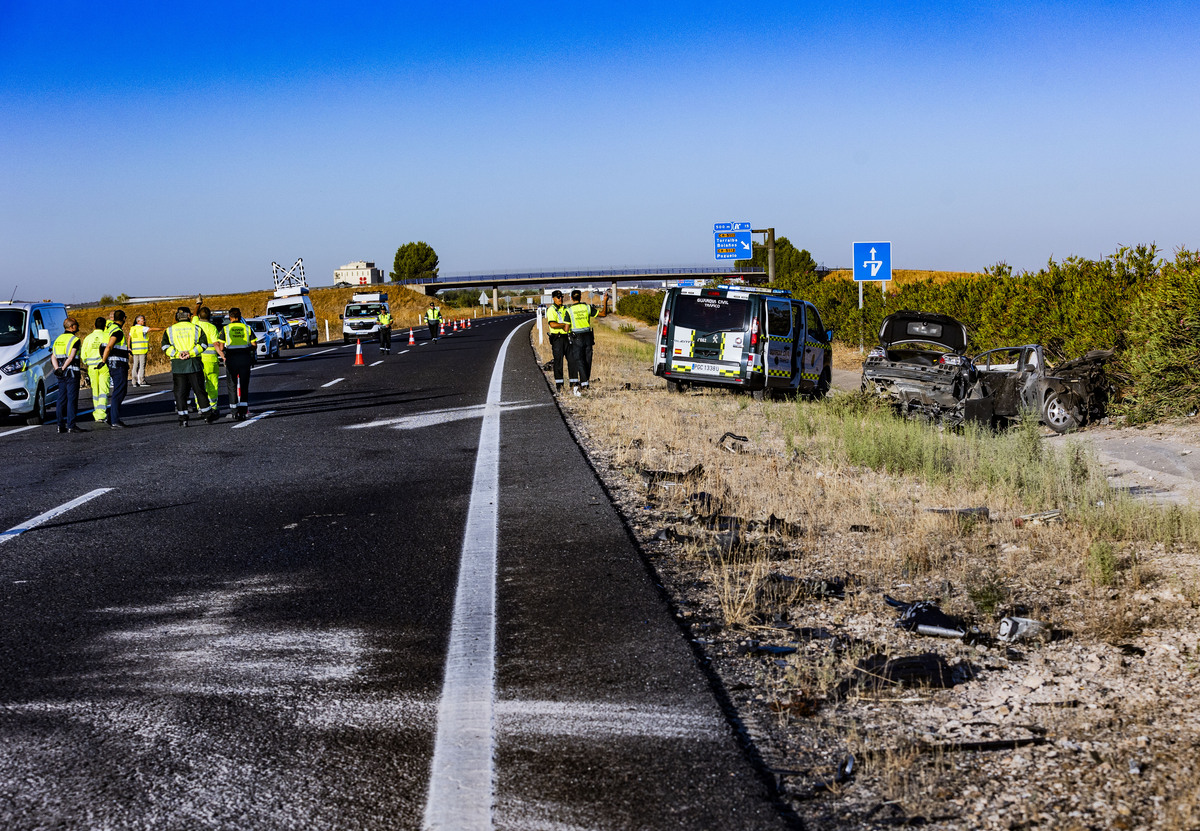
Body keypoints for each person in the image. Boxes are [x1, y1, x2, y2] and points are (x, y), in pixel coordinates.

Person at [162, 306, 217, 426]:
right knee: (199, 390)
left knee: (180, 392)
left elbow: (165, 347)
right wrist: (190, 353)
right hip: (193, 364)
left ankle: (183, 418)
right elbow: (203, 344)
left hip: (178, 365)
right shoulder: (196, 328)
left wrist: (178, 354)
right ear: (189, 316)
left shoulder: (170, 330)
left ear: (177, 316)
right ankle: (208, 415)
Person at [220, 307, 256, 421]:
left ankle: (234, 411)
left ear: (230, 318)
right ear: (240, 316)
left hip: (231, 358)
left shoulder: (225, 329)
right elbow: (254, 344)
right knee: (244, 384)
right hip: (244, 357)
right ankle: (243, 410)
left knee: (232, 385)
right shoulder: (247, 328)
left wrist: (225, 354)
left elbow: (221, 347)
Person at [51, 317, 84, 434]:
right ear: (72, 327)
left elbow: (53, 356)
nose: (78, 327)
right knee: (72, 399)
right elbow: (71, 356)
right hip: (71, 372)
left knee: (61, 399)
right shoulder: (75, 339)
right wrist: (64, 367)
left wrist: (57, 369)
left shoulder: (58, 339)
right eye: (76, 325)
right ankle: (71, 425)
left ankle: (60, 425)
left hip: (60, 373)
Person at [100, 309, 130, 428]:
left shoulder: (109, 329)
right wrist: (103, 360)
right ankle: (115, 420)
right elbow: (109, 346)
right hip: (118, 365)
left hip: (113, 364)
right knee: (119, 391)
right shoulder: (117, 331)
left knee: (120, 390)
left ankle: (111, 416)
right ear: (124, 318)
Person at [566, 289, 598, 396]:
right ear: (580, 297)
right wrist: (606, 301)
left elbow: (566, 328)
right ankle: (585, 381)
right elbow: (601, 313)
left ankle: (584, 383)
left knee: (579, 360)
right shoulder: (587, 307)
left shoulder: (569, 310)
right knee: (587, 359)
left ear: (571, 298)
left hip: (576, 337)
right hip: (588, 336)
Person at [192, 305, 222, 417]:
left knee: (199, 384)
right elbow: (216, 344)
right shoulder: (212, 328)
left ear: (199, 316)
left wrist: (198, 303)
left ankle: (200, 407)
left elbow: (194, 315)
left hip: (197, 360)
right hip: (211, 361)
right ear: (210, 316)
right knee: (212, 384)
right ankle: (213, 406)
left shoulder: (194, 324)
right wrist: (223, 356)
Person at [80, 317, 110, 422]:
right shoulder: (106, 336)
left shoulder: (88, 338)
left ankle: (97, 414)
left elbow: (83, 356)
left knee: (95, 391)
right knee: (103, 390)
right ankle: (101, 414)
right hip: (104, 366)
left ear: (94, 325)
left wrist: (88, 363)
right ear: (105, 326)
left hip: (92, 368)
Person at [545, 290, 573, 394]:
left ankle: (573, 384)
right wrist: (564, 325)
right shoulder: (552, 310)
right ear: (553, 298)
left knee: (572, 360)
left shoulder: (566, 308)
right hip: (557, 338)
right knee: (558, 362)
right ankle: (560, 386)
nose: (560, 298)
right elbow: (552, 324)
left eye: (561, 296)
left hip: (567, 337)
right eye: (558, 297)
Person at [128, 314, 152, 386]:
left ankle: (134, 381)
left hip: (135, 350)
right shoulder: (142, 328)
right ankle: (141, 380)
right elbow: (151, 329)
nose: (144, 321)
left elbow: (129, 338)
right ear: (138, 321)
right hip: (142, 349)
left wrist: (129, 347)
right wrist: (163, 328)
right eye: (143, 320)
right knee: (142, 365)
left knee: (135, 365)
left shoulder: (132, 329)